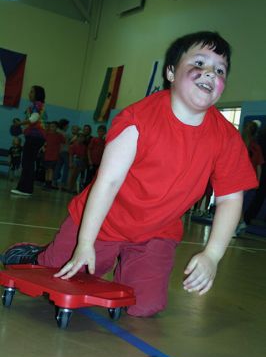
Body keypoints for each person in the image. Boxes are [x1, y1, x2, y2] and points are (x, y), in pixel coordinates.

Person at [1, 31, 258, 318]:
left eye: (220, 69)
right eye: (199, 63)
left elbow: (230, 200)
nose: (210, 73)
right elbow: (108, 183)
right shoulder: (138, 119)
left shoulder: (226, 138)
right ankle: (38, 256)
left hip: (156, 232)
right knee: (58, 277)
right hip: (104, 220)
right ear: (171, 72)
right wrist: (85, 243)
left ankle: (129, 267)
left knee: (143, 306)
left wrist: (212, 255)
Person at [11, 85, 47, 196]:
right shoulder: (37, 105)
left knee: (27, 162)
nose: (29, 93)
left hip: (34, 138)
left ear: (37, 94)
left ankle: (24, 189)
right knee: (29, 163)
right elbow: (35, 123)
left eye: (32, 92)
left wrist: (20, 124)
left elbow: (34, 119)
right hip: (36, 137)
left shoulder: (37, 105)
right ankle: (26, 188)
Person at [43, 121, 65, 190]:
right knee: (47, 169)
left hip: (54, 155)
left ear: (57, 128)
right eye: (51, 126)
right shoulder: (46, 134)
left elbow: (62, 144)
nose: (52, 128)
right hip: (47, 155)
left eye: (54, 126)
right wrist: (43, 148)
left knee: (51, 169)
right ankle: (46, 184)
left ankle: (49, 185)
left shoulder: (59, 135)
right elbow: (44, 143)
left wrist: (59, 152)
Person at [53, 118, 70, 191]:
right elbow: (67, 142)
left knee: (57, 167)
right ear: (64, 126)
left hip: (58, 151)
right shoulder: (65, 133)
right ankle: (63, 185)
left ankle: (54, 182)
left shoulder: (56, 131)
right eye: (67, 126)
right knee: (66, 169)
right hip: (65, 152)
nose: (67, 127)